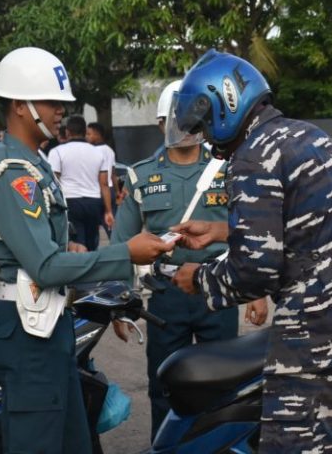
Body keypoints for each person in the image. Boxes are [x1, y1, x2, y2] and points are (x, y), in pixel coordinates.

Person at [170, 50, 332, 454]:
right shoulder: (306, 134)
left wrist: (198, 279)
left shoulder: (252, 158)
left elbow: (256, 271)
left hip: (320, 330)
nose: (207, 137)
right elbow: (311, 225)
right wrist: (221, 231)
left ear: (223, 105)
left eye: (205, 125)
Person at [0, 46, 174, 454]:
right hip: (27, 330)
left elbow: (41, 248)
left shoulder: (35, 164)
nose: (59, 112)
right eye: (51, 102)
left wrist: (66, 246)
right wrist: (126, 254)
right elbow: (46, 267)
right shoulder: (16, 174)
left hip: (47, 324)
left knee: (72, 442)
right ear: (19, 105)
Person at [110, 80, 269, 439]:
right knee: (165, 384)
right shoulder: (141, 175)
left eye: (190, 123)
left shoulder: (227, 170)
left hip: (218, 289)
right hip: (166, 294)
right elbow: (123, 242)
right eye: (175, 122)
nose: (183, 130)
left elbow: (246, 231)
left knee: (224, 384)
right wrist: (119, 300)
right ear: (160, 123)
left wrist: (255, 290)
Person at [48, 115, 113, 251]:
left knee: (75, 244)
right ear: (85, 131)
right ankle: (92, 269)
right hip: (94, 203)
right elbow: (104, 184)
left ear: (67, 132)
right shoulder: (98, 152)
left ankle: (80, 270)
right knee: (91, 244)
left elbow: (53, 181)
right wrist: (108, 211)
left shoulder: (57, 152)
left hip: (70, 202)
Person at [85, 122, 120, 238]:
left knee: (96, 224)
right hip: (111, 191)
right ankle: (117, 244)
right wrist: (117, 191)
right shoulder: (109, 150)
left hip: (100, 190)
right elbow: (113, 174)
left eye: (89, 134)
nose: (86, 137)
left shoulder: (93, 151)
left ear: (97, 135)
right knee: (112, 224)